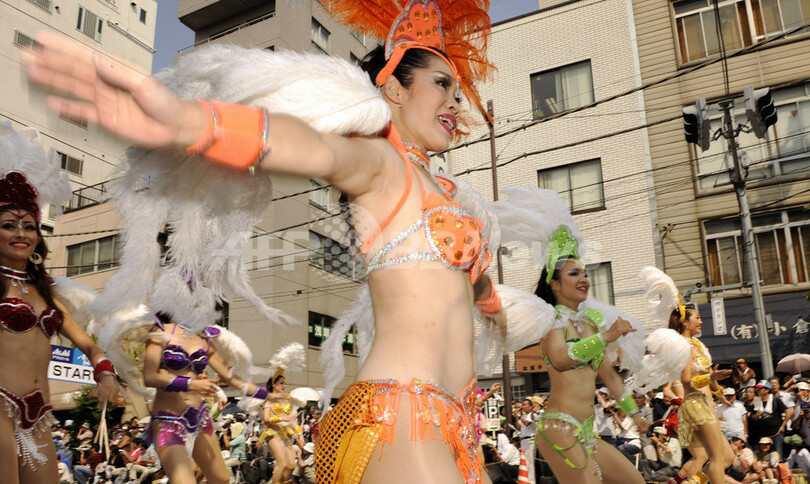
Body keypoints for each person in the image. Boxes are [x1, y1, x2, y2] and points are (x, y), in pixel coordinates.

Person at [23, 0, 498, 481]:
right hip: (406, 410)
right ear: (394, 88)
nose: (455, 103)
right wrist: (192, 123)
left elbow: (471, 289)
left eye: (458, 91)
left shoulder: (448, 193)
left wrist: (503, 305)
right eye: (442, 84)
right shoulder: (381, 164)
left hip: (459, 420)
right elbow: (315, 148)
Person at [0, 123, 119, 483]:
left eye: (29, 226)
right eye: (8, 225)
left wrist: (106, 372)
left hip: (39, 413)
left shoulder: (48, 291)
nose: (21, 233)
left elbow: (88, 344)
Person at [533, 226, 648, 484]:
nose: (583, 279)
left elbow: (611, 378)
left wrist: (635, 414)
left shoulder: (591, 326)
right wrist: (606, 337)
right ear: (555, 283)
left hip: (587, 432)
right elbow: (561, 360)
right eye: (573, 274)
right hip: (558, 428)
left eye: (585, 274)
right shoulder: (552, 320)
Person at [141, 313, 283, 484]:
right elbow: (149, 377)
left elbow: (233, 379)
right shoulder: (161, 331)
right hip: (168, 421)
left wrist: (268, 395)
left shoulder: (204, 337)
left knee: (221, 479)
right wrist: (191, 384)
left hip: (200, 418)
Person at [261, 371, 304, 484]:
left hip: (286, 434)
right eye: (281, 383)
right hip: (273, 433)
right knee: (282, 464)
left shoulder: (287, 399)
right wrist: (282, 419)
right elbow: (266, 418)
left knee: (291, 465)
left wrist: (300, 434)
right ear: (273, 385)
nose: (284, 386)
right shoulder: (269, 399)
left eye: (284, 383)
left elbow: (292, 419)